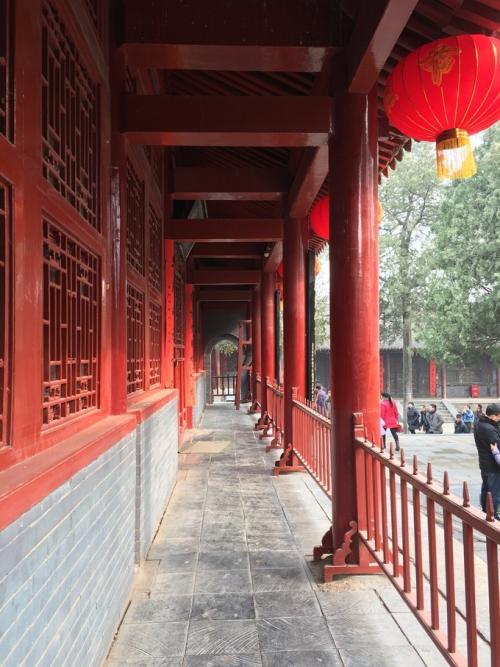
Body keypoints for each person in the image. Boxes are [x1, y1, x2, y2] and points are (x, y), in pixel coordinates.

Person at [474, 403, 500, 519]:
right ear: (494, 416)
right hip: (492, 465)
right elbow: (497, 445)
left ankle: (485, 510)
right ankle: (492, 514)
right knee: (494, 492)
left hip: (485, 463)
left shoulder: (481, 423)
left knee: (486, 487)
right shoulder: (489, 429)